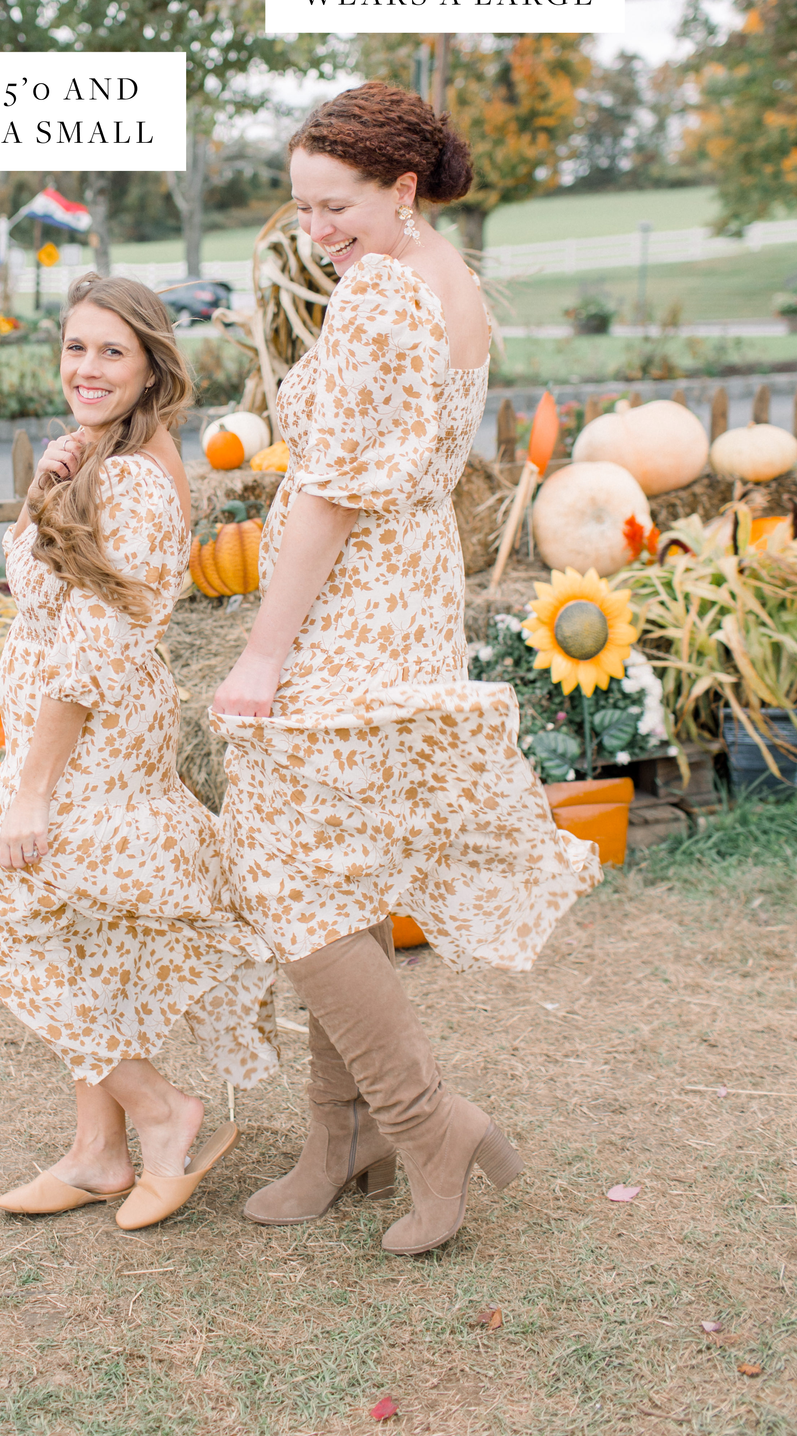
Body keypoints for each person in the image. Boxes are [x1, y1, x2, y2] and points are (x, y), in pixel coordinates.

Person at [211, 81, 601, 1256]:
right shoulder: (450, 282)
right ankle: (343, 1138)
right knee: (336, 866)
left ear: (400, 187)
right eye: (299, 211)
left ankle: (422, 1121)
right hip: (407, 593)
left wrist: (261, 654)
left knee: (285, 869)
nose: (314, 232)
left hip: (350, 613)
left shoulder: (382, 293)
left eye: (334, 206)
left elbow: (328, 489)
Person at [0, 272, 277, 1232]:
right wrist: (50, 482)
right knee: (82, 930)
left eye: (111, 350)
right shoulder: (97, 456)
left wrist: (32, 790)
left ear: (151, 365)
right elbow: (37, 578)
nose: (87, 368)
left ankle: (161, 1111)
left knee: (10, 927)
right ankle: (98, 1153)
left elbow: (90, 650)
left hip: (90, 735)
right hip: (63, 726)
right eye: (74, 347)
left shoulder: (139, 479)